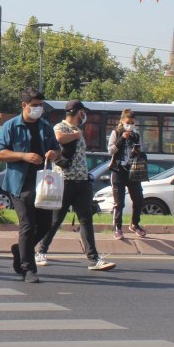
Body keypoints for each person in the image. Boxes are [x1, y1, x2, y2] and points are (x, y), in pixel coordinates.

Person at [35, 100, 115, 272]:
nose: (84, 115)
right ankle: (40, 251)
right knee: (56, 220)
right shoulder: (61, 126)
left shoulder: (79, 130)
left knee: (86, 220)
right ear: (76, 112)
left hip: (82, 181)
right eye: (82, 112)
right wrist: (76, 135)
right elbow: (58, 138)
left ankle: (94, 259)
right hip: (65, 180)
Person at [0, 87, 61, 283]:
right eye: (35, 106)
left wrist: (53, 154)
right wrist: (23, 156)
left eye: (41, 105)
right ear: (24, 105)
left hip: (43, 184)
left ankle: (20, 249)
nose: (38, 109)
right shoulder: (11, 126)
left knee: (45, 225)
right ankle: (27, 268)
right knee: (27, 225)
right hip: (19, 184)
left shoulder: (45, 126)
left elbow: (57, 150)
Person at [107, 107, 148, 240]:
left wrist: (138, 152)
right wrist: (122, 138)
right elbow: (111, 151)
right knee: (119, 202)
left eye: (132, 122)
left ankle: (135, 224)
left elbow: (140, 150)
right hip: (119, 171)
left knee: (138, 199)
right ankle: (118, 228)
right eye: (128, 122)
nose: (130, 125)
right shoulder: (116, 132)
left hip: (133, 171)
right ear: (122, 121)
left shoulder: (136, 135)